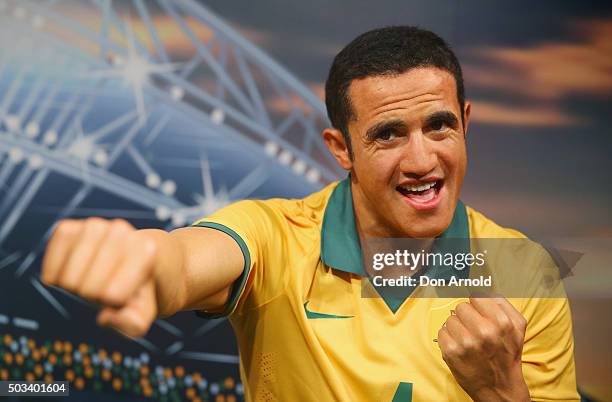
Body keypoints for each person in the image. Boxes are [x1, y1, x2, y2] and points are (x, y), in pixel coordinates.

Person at [41, 26, 579, 401]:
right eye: (387, 134)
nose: (421, 160)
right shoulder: (277, 235)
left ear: (465, 121)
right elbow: (183, 263)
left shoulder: (526, 271)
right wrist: (141, 261)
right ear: (341, 149)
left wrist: (498, 391)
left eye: (438, 126)